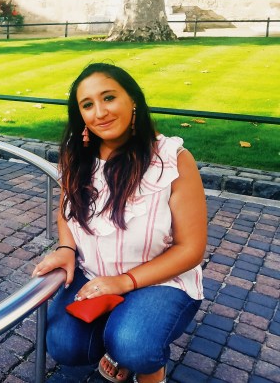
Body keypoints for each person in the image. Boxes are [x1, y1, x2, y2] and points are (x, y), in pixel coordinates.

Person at [31, 63, 206, 383]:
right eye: (87, 105)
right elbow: (66, 209)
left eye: (108, 97)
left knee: (134, 345)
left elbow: (191, 248)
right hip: (94, 275)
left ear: (133, 100)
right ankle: (118, 334)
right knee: (63, 345)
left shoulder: (173, 159)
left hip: (161, 280)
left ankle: (145, 365)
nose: (99, 112)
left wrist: (123, 282)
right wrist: (66, 247)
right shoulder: (77, 155)